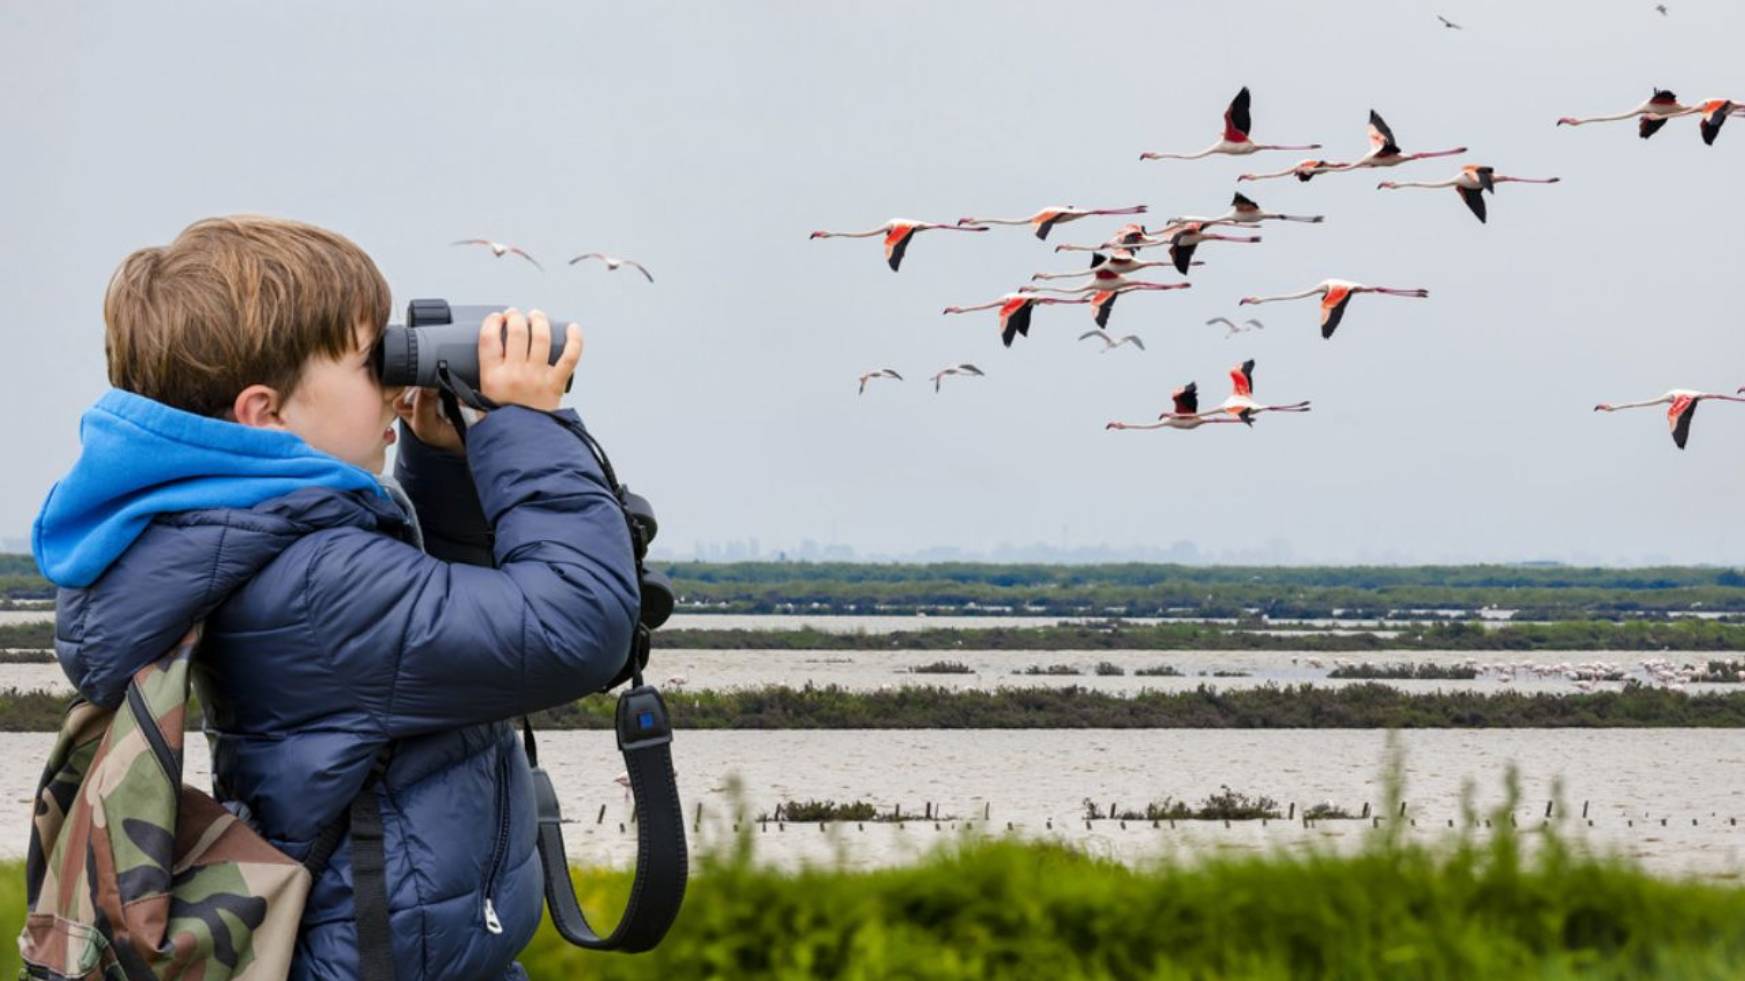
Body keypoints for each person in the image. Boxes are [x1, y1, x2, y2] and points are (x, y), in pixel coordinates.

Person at [31, 215, 640, 979]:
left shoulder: (244, 544)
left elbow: (442, 628)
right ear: (265, 412)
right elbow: (573, 624)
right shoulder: (319, 581)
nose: (392, 380)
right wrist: (526, 428)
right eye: (367, 362)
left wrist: (448, 465)